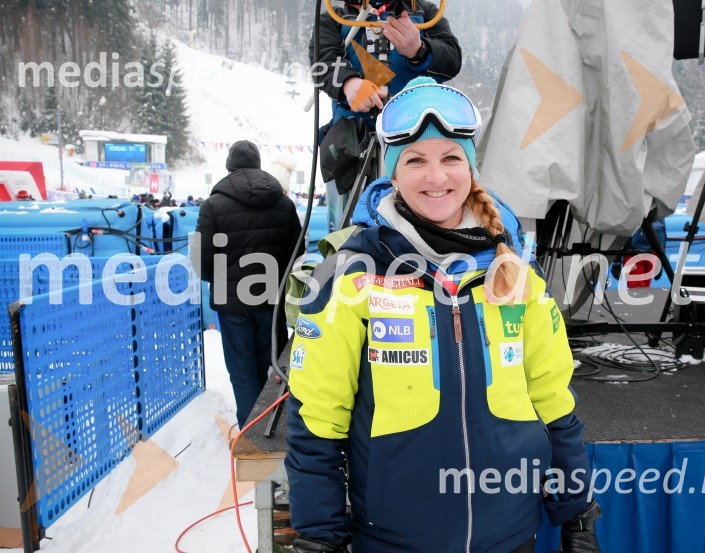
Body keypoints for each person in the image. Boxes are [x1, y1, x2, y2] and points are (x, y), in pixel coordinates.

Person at [285, 78, 601, 553]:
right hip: (394, 542)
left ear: (470, 168)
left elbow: (553, 401)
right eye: (415, 161)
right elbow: (316, 422)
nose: (436, 178)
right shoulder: (352, 274)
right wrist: (319, 537)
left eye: (451, 158)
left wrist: (577, 513)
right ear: (393, 174)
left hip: (511, 535)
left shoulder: (515, 271)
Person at [312, 0, 462, 233]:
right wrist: (347, 83)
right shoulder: (334, 18)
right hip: (352, 145)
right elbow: (321, 60)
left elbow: (452, 61)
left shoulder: (425, 14)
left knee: (419, 221)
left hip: (413, 137)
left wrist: (419, 49)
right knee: (348, 227)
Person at [193, 140, 304, 428]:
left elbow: (200, 259)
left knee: (243, 372)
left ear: (229, 166)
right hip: (272, 301)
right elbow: (298, 252)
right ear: (258, 164)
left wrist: (220, 280)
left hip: (232, 305)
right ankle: (274, 428)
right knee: (275, 367)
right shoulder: (284, 204)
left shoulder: (212, 205)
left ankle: (250, 435)